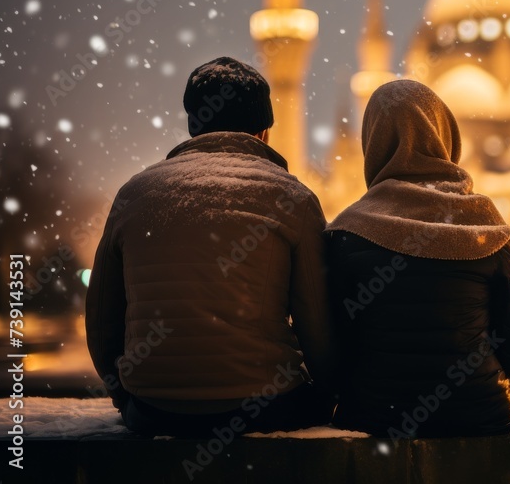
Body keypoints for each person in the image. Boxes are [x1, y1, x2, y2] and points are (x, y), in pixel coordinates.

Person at [85, 56, 335, 436]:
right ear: (265, 131)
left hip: (153, 410)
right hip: (266, 407)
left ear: (193, 127)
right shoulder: (292, 198)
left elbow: (102, 321)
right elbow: (318, 326)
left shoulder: (133, 193)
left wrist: (129, 398)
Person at [324, 79, 510, 438]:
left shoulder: (345, 233)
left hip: (373, 416)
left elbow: (332, 352)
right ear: (444, 137)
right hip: (481, 413)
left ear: (372, 143)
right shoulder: (488, 227)